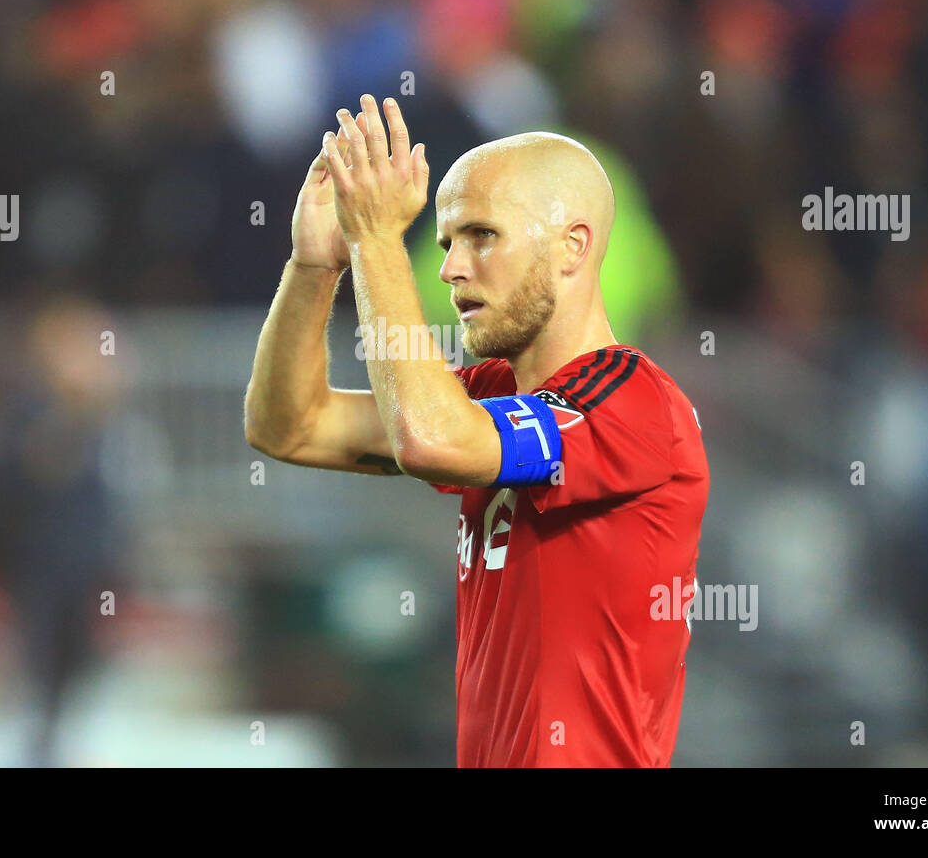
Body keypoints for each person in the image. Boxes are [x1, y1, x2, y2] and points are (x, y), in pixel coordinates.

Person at [245, 95, 709, 767]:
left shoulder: (633, 402)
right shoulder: (488, 395)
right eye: (446, 242)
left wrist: (376, 237)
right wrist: (316, 267)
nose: (451, 268)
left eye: (482, 235)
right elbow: (289, 426)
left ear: (572, 245)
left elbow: (428, 437)